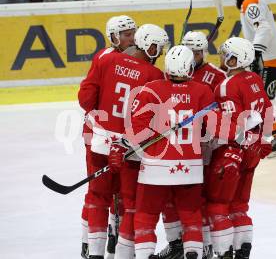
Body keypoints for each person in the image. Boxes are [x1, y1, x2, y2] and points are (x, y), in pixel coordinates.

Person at [110, 45, 214, 259]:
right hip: (190, 168)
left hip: (155, 170)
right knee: (191, 214)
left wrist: (122, 144)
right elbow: (210, 131)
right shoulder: (203, 91)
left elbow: (136, 130)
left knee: (146, 216)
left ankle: (145, 255)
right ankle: (193, 253)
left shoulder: (151, 89)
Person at [78, 23, 169, 259]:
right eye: (157, 48)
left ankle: (94, 253)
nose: (159, 53)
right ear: (148, 45)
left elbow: (86, 99)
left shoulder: (106, 60)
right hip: (131, 148)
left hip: (100, 141)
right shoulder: (155, 75)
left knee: (98, 198)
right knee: (131, 204)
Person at [157, 31, 226, 259]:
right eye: (190, 51)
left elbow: (221, 111)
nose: (194, 56)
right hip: (176, 146)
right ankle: (177, 243)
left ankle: (204, 245)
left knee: (200, 198)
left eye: (198, 52)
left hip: (205, 145)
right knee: (169, 198)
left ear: (204, 51)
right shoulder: (174, 70)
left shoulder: (217, 75)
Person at [206, 37, 273, 259]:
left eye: (226, 54)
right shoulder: (254, 79)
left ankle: (224, 253)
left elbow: (230, 126)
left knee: (218, 205)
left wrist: (209, 118)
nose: (222, 57)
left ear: (235, 58)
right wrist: (264, 141)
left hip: (231, 153)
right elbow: (268, 111)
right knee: (239, 206)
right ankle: (242, 251)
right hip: (252, 153)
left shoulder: (226, 85)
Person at [80, 14, 137, 259]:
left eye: (133, 32)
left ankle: (97, 241)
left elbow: (85, 100)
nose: (132, 37)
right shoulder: (142, 64)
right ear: (114, 36)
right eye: (126, 34)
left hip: (101, 135)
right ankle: (95, 242)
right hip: (117, 138)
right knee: (106, 192)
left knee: (101, 192)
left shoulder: (103, 58)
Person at [229, 0, 276, 158]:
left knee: (265, 99)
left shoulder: (250, 2)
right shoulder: (251, 1)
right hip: (269, 58)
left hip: (268, 59)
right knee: (265, 98)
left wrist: (256, 54)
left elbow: (264, 28)